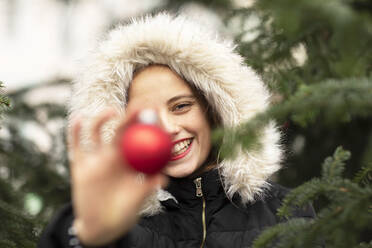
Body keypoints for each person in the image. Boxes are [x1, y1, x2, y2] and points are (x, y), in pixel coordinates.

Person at [38, 13, 315, 248]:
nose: (167, 128)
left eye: (181, 106)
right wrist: (86, 233)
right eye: (145, 117)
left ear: (214, 108)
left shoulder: (287, 211)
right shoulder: (124, 225)